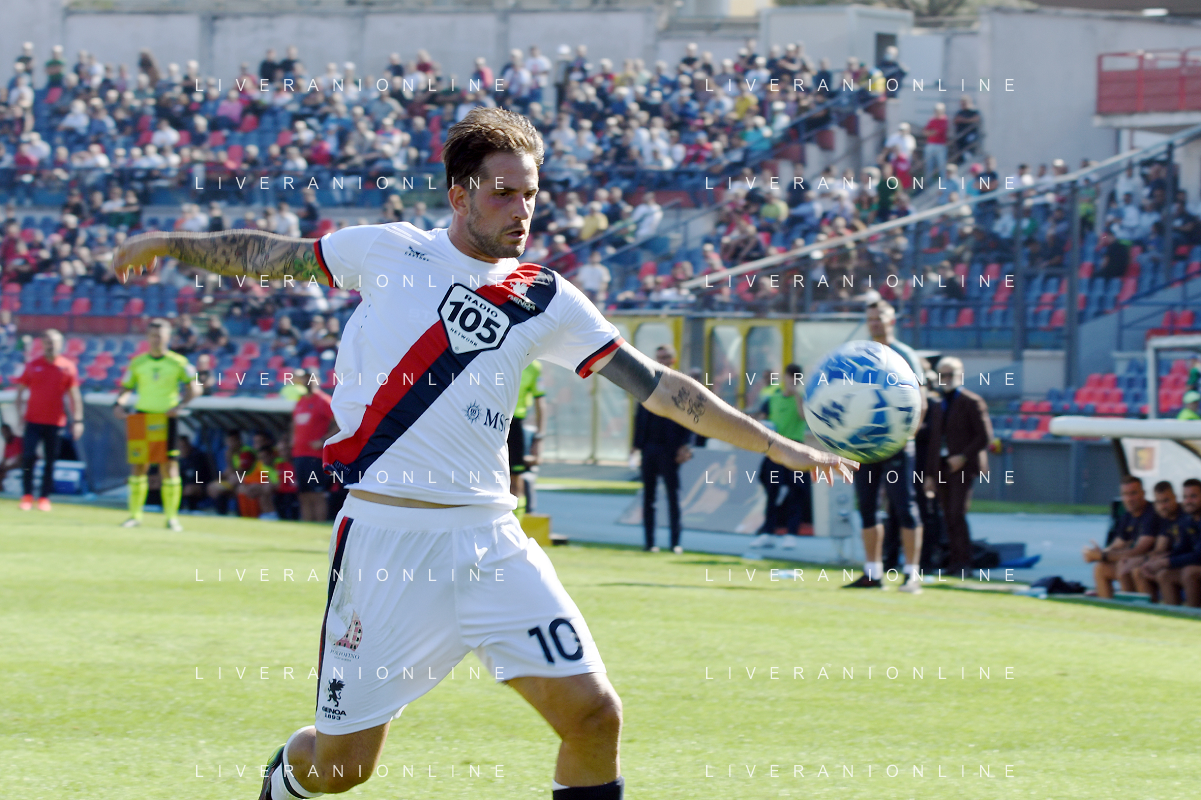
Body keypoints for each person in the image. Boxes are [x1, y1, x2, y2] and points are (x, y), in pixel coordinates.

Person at [112, 105, 856, 800]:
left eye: (530, 194)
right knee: (342, 768)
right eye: (504, 193)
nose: (522, 209)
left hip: (491, 540)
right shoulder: (388, 249)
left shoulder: (546, 297)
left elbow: (659, 387)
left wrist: (776, 445)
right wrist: (172, 244)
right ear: (459, 194)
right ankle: (285, 780)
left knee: (594, 715)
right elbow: (273, 257)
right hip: (387, 541)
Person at [845, 300, 927, 592]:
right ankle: (873, 572)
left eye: (879, 317)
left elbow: (921, 400)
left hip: (896, 443)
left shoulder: (904, 355)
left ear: (892, 320)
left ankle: (912, 574)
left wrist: (907, 436)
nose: (875, 323)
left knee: (905, 507)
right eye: (870, 318)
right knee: (867, 507)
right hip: (866, 443)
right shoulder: (861, 355)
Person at [112, 319, 197, 531]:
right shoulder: (137, 363)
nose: (156, 339)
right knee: (139, 466)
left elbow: (195, 388)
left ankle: (172, 518)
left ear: (168, 337)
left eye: (160, 336)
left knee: (169, 467)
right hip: (142, 417)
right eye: (152, 335)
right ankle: (135, 516)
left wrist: (181, 405)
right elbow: (126, 388)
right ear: (147, 337)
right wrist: (119, 404)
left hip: (166, 418)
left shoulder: (179, 362)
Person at [922, 356, 993, 575]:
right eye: (942, 374)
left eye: (950, 374)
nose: (946, 378)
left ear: (960, 375)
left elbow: (984, 436)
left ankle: (964, 562)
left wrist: (963, 456)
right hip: (942, 466)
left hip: (963, 467)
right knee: (946, 515)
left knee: (956, 513)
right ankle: (953, 561)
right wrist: (930, 473)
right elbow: (934, 441)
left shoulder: (971, 401)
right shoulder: (937, 404)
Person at [631, 345, 694, 553]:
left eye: (665, 357)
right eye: (659, 357)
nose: (662, 361)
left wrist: (685, 445)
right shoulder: (646, 382)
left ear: (673, 360)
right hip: (649, 448)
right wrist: (636, 445)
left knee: (673, 497)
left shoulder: (680, 385)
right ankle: (650, 543)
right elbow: (640, 417)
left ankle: (675, 542)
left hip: (670, 449)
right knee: (649, 498)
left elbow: (690, 417)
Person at [13, 329, 83, 511]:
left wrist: (77, 420)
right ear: (42, 344)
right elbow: (19, 392)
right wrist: (20, 414)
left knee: (50, 461)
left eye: (54, 342)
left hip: (55, 422)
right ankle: (27, 495)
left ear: (61, 344)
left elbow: (74, 395)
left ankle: (44, 497)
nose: (50, 345)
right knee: (28, 457)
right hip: (33, 420)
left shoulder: (67, 367)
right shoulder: (32, 365)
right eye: (47, 342)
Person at [751, 363, 812, 549]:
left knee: (796, 492)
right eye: (790, 376)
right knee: (772, 490)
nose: (792, 380)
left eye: (796, 378)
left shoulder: (802, 399)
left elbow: (803, 417)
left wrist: (796, 395)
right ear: (784, 377)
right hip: (776, 449)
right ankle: (768, 532)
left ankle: (791, 534)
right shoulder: (772, 398)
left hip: (795, 449)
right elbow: (760, 419)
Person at [1084, 476, 1159, 599]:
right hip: (1130, 563)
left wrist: (1103, 556)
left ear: (1143, 493)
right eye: (1125, 494)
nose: (1129, 499)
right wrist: (1098, 553)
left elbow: (1139, 550)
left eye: (1133, 493)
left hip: (1149, 562)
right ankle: (1107, 607)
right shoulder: (1127, 516)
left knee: (1125, 567)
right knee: (1100, 568)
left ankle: (1136, 607)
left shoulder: (1151, 514)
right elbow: (1117, 545)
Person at [1136, 479, 1200, 604]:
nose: (1188, 501)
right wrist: (1157, 562)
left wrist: (1166, 562)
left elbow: (1198, 555)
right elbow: (1183, 548)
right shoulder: (1189, 520)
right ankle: (1168, 613)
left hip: (1196, 565)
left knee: (1189, 572)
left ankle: (1192, 614)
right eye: (1185, 497)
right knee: (1164, 574)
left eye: (1193, 496)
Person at [291, 368, 337, 522]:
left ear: (316, 379)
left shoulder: (323, 400)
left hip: (315, 456)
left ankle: (319, 524)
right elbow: (294, 424)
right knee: (303, 494)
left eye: (308, 377)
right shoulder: (301, 401)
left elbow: (339, 423)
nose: (305, 381)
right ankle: (307, 525)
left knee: (317, 493)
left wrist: (323, 440)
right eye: (303, 378)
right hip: (299, 454)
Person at [509, 360, 547, 513]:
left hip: (515, 425)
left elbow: (540, 403)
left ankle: (517, 522)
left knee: (515, 479)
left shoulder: (534, 366)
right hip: (490, 422)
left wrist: (539, 439)